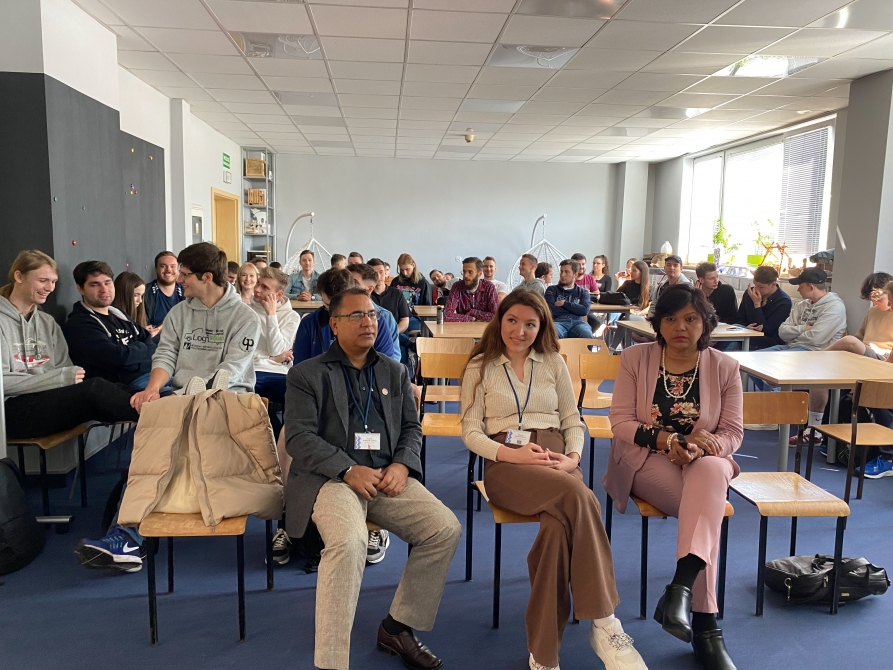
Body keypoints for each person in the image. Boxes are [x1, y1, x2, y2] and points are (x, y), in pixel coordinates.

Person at [461, 290, 647, 670]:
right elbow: (470, 431)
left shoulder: (553, 362)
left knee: (556, 532)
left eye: (530, 324)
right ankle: (606, 624)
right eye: (512, 320)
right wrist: (513, 454)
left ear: (542, 325)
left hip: (557, 457)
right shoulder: (481, 365)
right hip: (507, 461)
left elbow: (572, 421)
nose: (520, 331)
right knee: (580, 498)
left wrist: (572, 458)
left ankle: (544, 654)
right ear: (500, 320)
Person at [285, 287, 461, 670]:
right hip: (332, 479)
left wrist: (402, 465)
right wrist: (347, 469)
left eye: (373, 315)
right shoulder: (306, 374)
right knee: (350, 542)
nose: (368, 322)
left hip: (386, 475)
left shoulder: (394, 371)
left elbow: (411, 428)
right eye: (357, 316)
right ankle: (332, 662)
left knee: (444, 528)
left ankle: (397, 628)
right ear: (334, 324)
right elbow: (298, 438)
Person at [607, 283, 742, 670]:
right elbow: (620, 422)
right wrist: (672, 440)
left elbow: (732, 433)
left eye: (690, 318)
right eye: (670, 318)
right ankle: (705, 626)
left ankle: (681, 591)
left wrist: (702, 448)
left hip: (704, 463)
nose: (680, 326)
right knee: (706, 512)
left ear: (705, 323)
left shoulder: (725, 367)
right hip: (646, 458)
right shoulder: (635, 358)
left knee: (711, 472)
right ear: (658, 324)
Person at [1, 251, 139, 441]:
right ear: (19, 276)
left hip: (47, 399)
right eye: (43, 280)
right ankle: (163, 413)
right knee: (94, 390)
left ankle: (159, 407)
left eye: (53, 281)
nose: (50, 288)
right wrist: (56, 379)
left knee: (113, 388)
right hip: (9, 411)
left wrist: (59, 379)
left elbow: (64, 371)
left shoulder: (47, 322)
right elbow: (3, 382)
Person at [129, 242, 261, 409]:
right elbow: (166, 355)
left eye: (185, 274)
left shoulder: (246, 318)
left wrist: (179, 397)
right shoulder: (177, 313)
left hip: (229, 398)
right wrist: (152, 390)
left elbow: (231, 370)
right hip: (181, 397)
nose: (179, 279)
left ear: (207, 277)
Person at [793, 272, 893, 451]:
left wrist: (879, 351)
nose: (875, 303)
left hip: (883, 361)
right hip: (866, 355)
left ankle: (811, 361)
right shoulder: (872, 312)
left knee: (848, 343)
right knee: (823, 369)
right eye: (872, 300)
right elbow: (859, 337)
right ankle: (814, 428)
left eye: (879, 299)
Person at [62, 261, 159, 391]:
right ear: (80, 288)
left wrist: (133, 358)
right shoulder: (79, 324)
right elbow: (117, 358)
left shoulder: (119, 315)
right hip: (124, 389)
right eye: (95, 284)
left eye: (107, 282)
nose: (104, 289)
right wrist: (141, 350)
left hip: (150, 375)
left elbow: (151, 345)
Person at [294, 268, 398, 365]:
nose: (334, 313)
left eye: (341, 307)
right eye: (328, 306)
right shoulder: (310, 323)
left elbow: (386, 367)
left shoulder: (375, 322)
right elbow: (300, 370)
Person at [249, 265, 301, 438]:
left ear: (278, 295)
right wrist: (271, 358)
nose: (257, 289)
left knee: (297, 395)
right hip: (250, 370)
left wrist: (271, 315)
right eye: (258, 283)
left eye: (264, 287)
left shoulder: (291, 317)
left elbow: (277, 349)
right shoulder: (246, 311)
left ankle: (288, 443)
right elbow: (244, 351)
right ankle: (269, 438)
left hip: (279, 373)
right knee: (241, 394)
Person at [348, 264, 402, 364]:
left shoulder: (385, 317)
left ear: (369, 289)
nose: (347, 287)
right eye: (347, 282)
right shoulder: (338, 314)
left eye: (354, 283)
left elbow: (393, 359)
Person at [733, 265, 792, 350]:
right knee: (732, 331)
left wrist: (757, 304)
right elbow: (740, 318)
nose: (756, 289)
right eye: (755, 285)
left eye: (761, 287)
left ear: (773, 284)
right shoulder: (750, 293)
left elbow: (767, 330)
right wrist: (746, 327)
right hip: (746, 332)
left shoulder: (783, 302)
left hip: (768, 340)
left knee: (733, 344)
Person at [545, 260, 592, 339]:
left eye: (567, 272)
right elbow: (549, 310)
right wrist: (575, 309)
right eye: (561, 271)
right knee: (552, 334)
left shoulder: (583, 292)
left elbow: (584, 311)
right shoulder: (551, 290)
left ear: (575, 274)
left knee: (586, 335)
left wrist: (564, 304)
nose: (562, 275)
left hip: (578, 323)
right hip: (557, 322)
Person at [445, 257, 499, 323]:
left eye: (470, 272)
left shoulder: (489, 287)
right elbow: (446, 315)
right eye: (464, 271)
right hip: (462, 328)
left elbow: (497, 315)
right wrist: (471, 319)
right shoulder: (457, 287)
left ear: (479, 273)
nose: (465, 276)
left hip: (485, 328)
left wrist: (473, 312)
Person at [143, 250, 184, 337]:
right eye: (163, 266)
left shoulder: (187, 292)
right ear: (156, 270)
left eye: (172, 266)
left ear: (178, 270)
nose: (168, 270)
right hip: (154, 342)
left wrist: (161, 328)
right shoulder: (144, 293)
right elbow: (142, 327)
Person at [367, 258, 410, 335]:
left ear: (385, 273)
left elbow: (405, 320)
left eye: (381, 272)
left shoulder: (397, 293)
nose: (378, 276)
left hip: (395, 335)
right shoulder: (365, 295)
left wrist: (392, 333)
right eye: (374, 273)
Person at [392, 253, 432, 317]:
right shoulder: (395, 282)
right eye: (402, 270)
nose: (405, 273)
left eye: (407, 269)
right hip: (398, 316)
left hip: (416, 316)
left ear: (413, 265)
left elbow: (427, 307)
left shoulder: (423, 283)